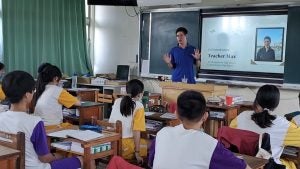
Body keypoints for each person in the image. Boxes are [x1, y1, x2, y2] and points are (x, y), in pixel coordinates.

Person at [0, 70, 82, 169]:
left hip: (8, 165)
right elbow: (44, 158)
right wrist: (62, 155)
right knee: (81, 160)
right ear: (27, 95)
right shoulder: (34, 122)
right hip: (36, 167)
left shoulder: (1, 117)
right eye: (32, 91)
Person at [152, 90, 250, 169]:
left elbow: (152, 162)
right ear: (205, 116)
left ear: (176, 113)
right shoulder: (210, 144)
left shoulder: (162, 134)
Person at [230, 85, 300, 169]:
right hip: (266, 166)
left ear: (256, 100)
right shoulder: (284, 126)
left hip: (243, 165)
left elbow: (231, 135)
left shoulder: (241, 117)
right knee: (291, 164)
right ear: (276, 104)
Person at [109, 79, 147, 164]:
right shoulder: (139, 106)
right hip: (124, 146)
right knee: (152, 143)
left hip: (110, 143)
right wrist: (137, 152)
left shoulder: (117, 101)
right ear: (140, 94)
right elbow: (136, 131)